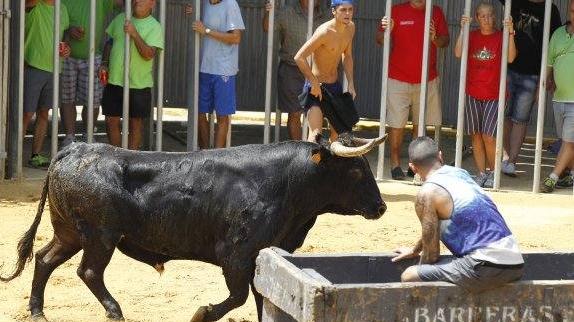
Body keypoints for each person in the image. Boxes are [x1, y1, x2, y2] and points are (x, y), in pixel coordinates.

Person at [392, 137, 524, 292]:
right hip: (515, 264)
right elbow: (436, 225)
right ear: (440, 156)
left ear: (412, 168)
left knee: (409, 276)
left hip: (483, 267)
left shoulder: (426, 194)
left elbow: (431, 256)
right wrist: (415, 250)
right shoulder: (460, 174)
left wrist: (421, 271)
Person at [377, 0, 450, 181]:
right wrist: (387, 29)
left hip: (427, 79)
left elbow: (445, 41)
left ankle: (416, 166)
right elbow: (379, 39)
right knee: (397, 124)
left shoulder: (436, 12)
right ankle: (395, 164)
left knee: (421, 126)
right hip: (397, 78)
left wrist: (434, 37)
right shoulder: (396, 11)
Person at [454, 2, 516, 188]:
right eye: (482, 16)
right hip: (473, 92)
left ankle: (493, 173)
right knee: (476, 135)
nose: (486, 19)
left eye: (489, 15)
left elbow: (511, 57)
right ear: (477, 17)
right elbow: (458, 52)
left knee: (490, 136)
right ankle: (481, 174)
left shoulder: (500, 36)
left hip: (494, 95)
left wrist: (511, 32)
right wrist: (463, 29)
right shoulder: (472, 36)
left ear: (494, 17)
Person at [501, 0, 562, 177]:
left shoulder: (552, 10)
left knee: (520, 118)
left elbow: (554, 45)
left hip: (533, 74)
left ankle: (512, 160)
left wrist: (549, 75)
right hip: (509, 68)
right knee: (504, 114)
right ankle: (504, 156)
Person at [101, 0, 164, 150]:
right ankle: (116, 157)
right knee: (111, 119)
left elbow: (149, 54)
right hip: (115, 80)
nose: (137, 1)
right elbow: (110, 43)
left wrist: (134, 34)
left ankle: (130, 161)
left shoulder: (155, 26)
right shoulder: (121, 18)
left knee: (135, 123)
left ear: (152, 4)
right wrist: (104, 63)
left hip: (138, 84)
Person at [60, 0, 122, 146]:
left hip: (94, 57)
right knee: (67, 98)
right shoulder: (62, 2)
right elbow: (56, 23)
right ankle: (70, 137)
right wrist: (69, 30)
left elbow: (121, 3)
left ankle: (88, 135)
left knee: (93, 100)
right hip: (67, 57)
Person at [185, 0, 245, 149]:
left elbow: (236, 38)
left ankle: (217, 158)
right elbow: (197, 25)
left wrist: (206, 31)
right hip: (204, 66)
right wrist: (191, 14)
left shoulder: (230, 4)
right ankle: (205, 155)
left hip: (224, 69)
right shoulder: (203, 4)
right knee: (199, 113)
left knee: (222, 116)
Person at [263, 0, 326, 141]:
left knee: (316, 113)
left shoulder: (326, 15)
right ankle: (298, 152)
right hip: (291, 69)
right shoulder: (287, 12)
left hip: (316, 72)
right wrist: (268, 12)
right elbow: (268, 27)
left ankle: (313, 153)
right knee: (294, 113)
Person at [294, 0, 356, 143]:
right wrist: (314, 82)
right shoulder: (324, 32)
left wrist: (351, 82)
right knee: (315, 134)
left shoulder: (351, 28)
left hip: (334, 87)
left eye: (350, 10)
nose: (347, 13)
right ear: (334, 11)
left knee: (338, 134)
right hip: (316, 89)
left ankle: (328, 164)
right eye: (343, 10)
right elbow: (299, 57)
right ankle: (310, 164)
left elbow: (347, 56)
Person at [23, 0, 70, 168]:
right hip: (33, 66)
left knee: (44, 113)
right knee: (26, 114)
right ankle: (14, 155)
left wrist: (66, 48)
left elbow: (63, 36)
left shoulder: (62, 9)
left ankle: (35, 155)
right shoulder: (35, 4)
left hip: (55, 69)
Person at [541, 0, 574, 193]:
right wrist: (542, 86)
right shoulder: (558, 34)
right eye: (572, 10)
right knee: (567, 140)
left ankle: (552, 178)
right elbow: (549, 64)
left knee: (568, 141)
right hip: (559, 98)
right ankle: (571, 176)